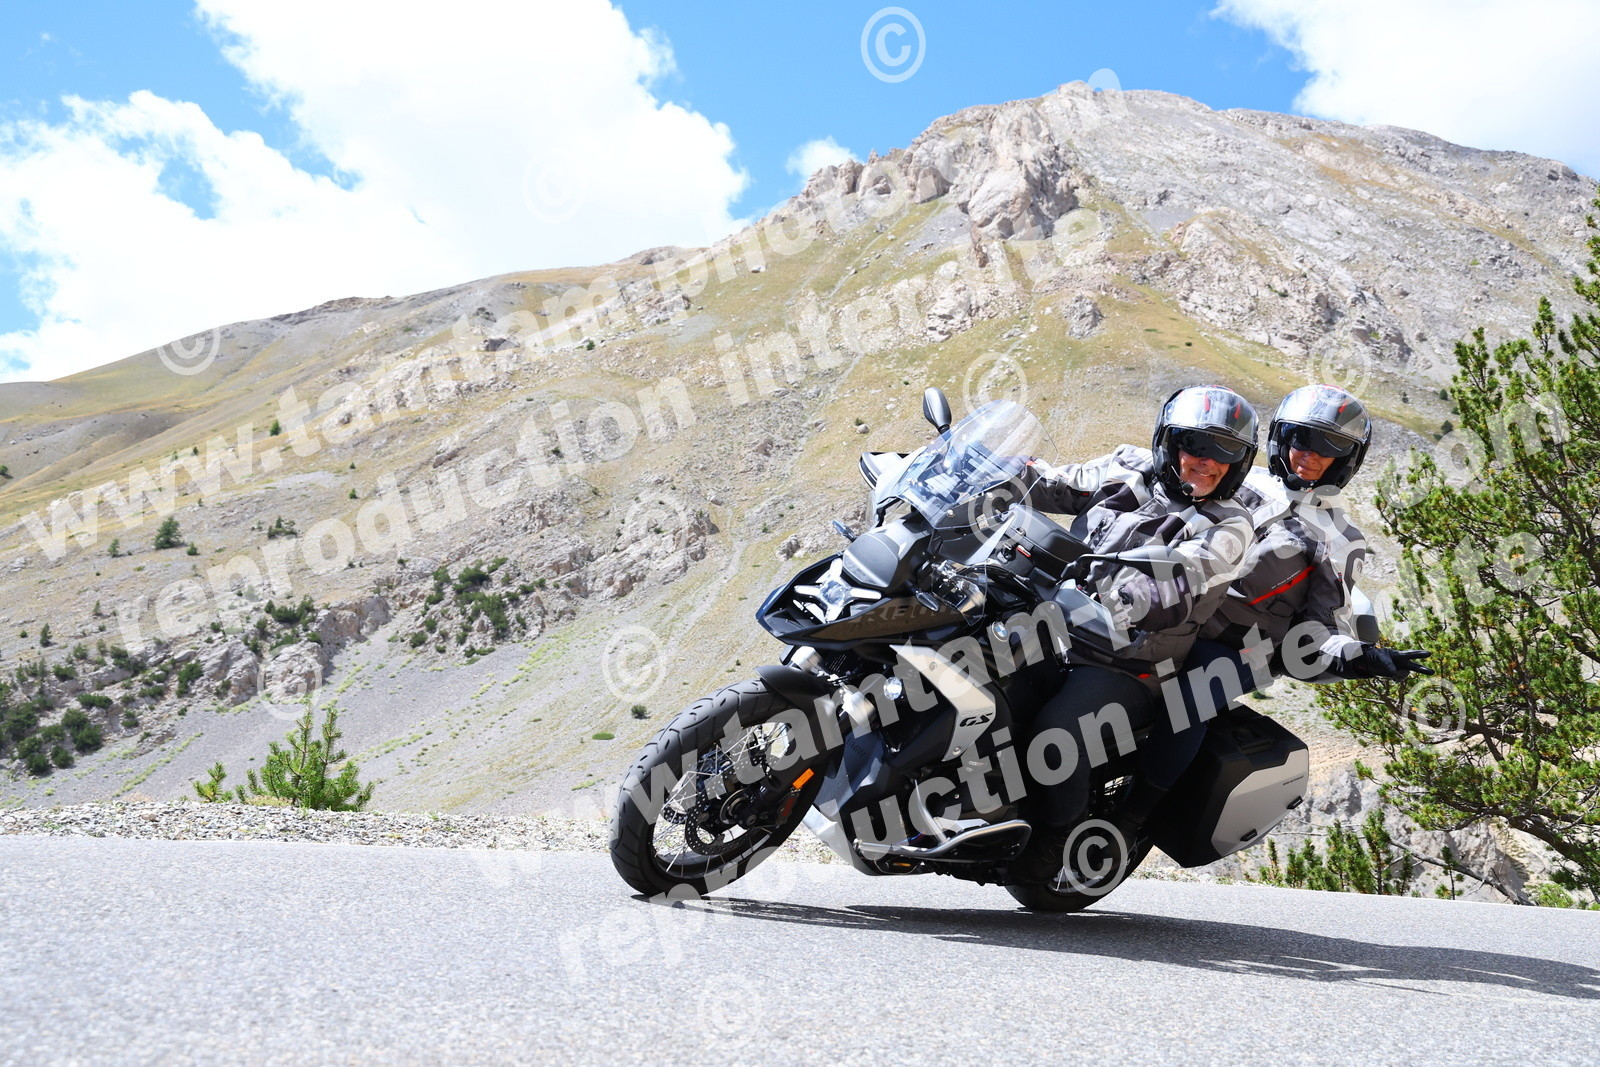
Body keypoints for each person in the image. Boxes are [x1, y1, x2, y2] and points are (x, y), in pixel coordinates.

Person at [1127, 384, 1432, 838]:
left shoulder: (1339, 537)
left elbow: (1323, 626)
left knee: (1195, 691)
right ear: (1281, 438)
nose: (1310, 453)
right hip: (1169, 610)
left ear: (1347, 459)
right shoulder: (1233, 480)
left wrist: (1364, 657)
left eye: (1330, 446)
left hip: (1238, 647)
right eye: (1302, 438)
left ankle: (1133, 814)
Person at [1012, 385, 1260, 879]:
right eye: (1196, 444)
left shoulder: (1230, 526)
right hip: (1048, 620)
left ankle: (1058, 839)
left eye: (1226, 452)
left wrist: (1123, 596)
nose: (1208, 461)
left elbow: (1180, 583)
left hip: (1126, 660)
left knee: (1056, 734)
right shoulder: (1125, 467)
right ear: (1169, 443)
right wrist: (962, 470)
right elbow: (1052, 483)